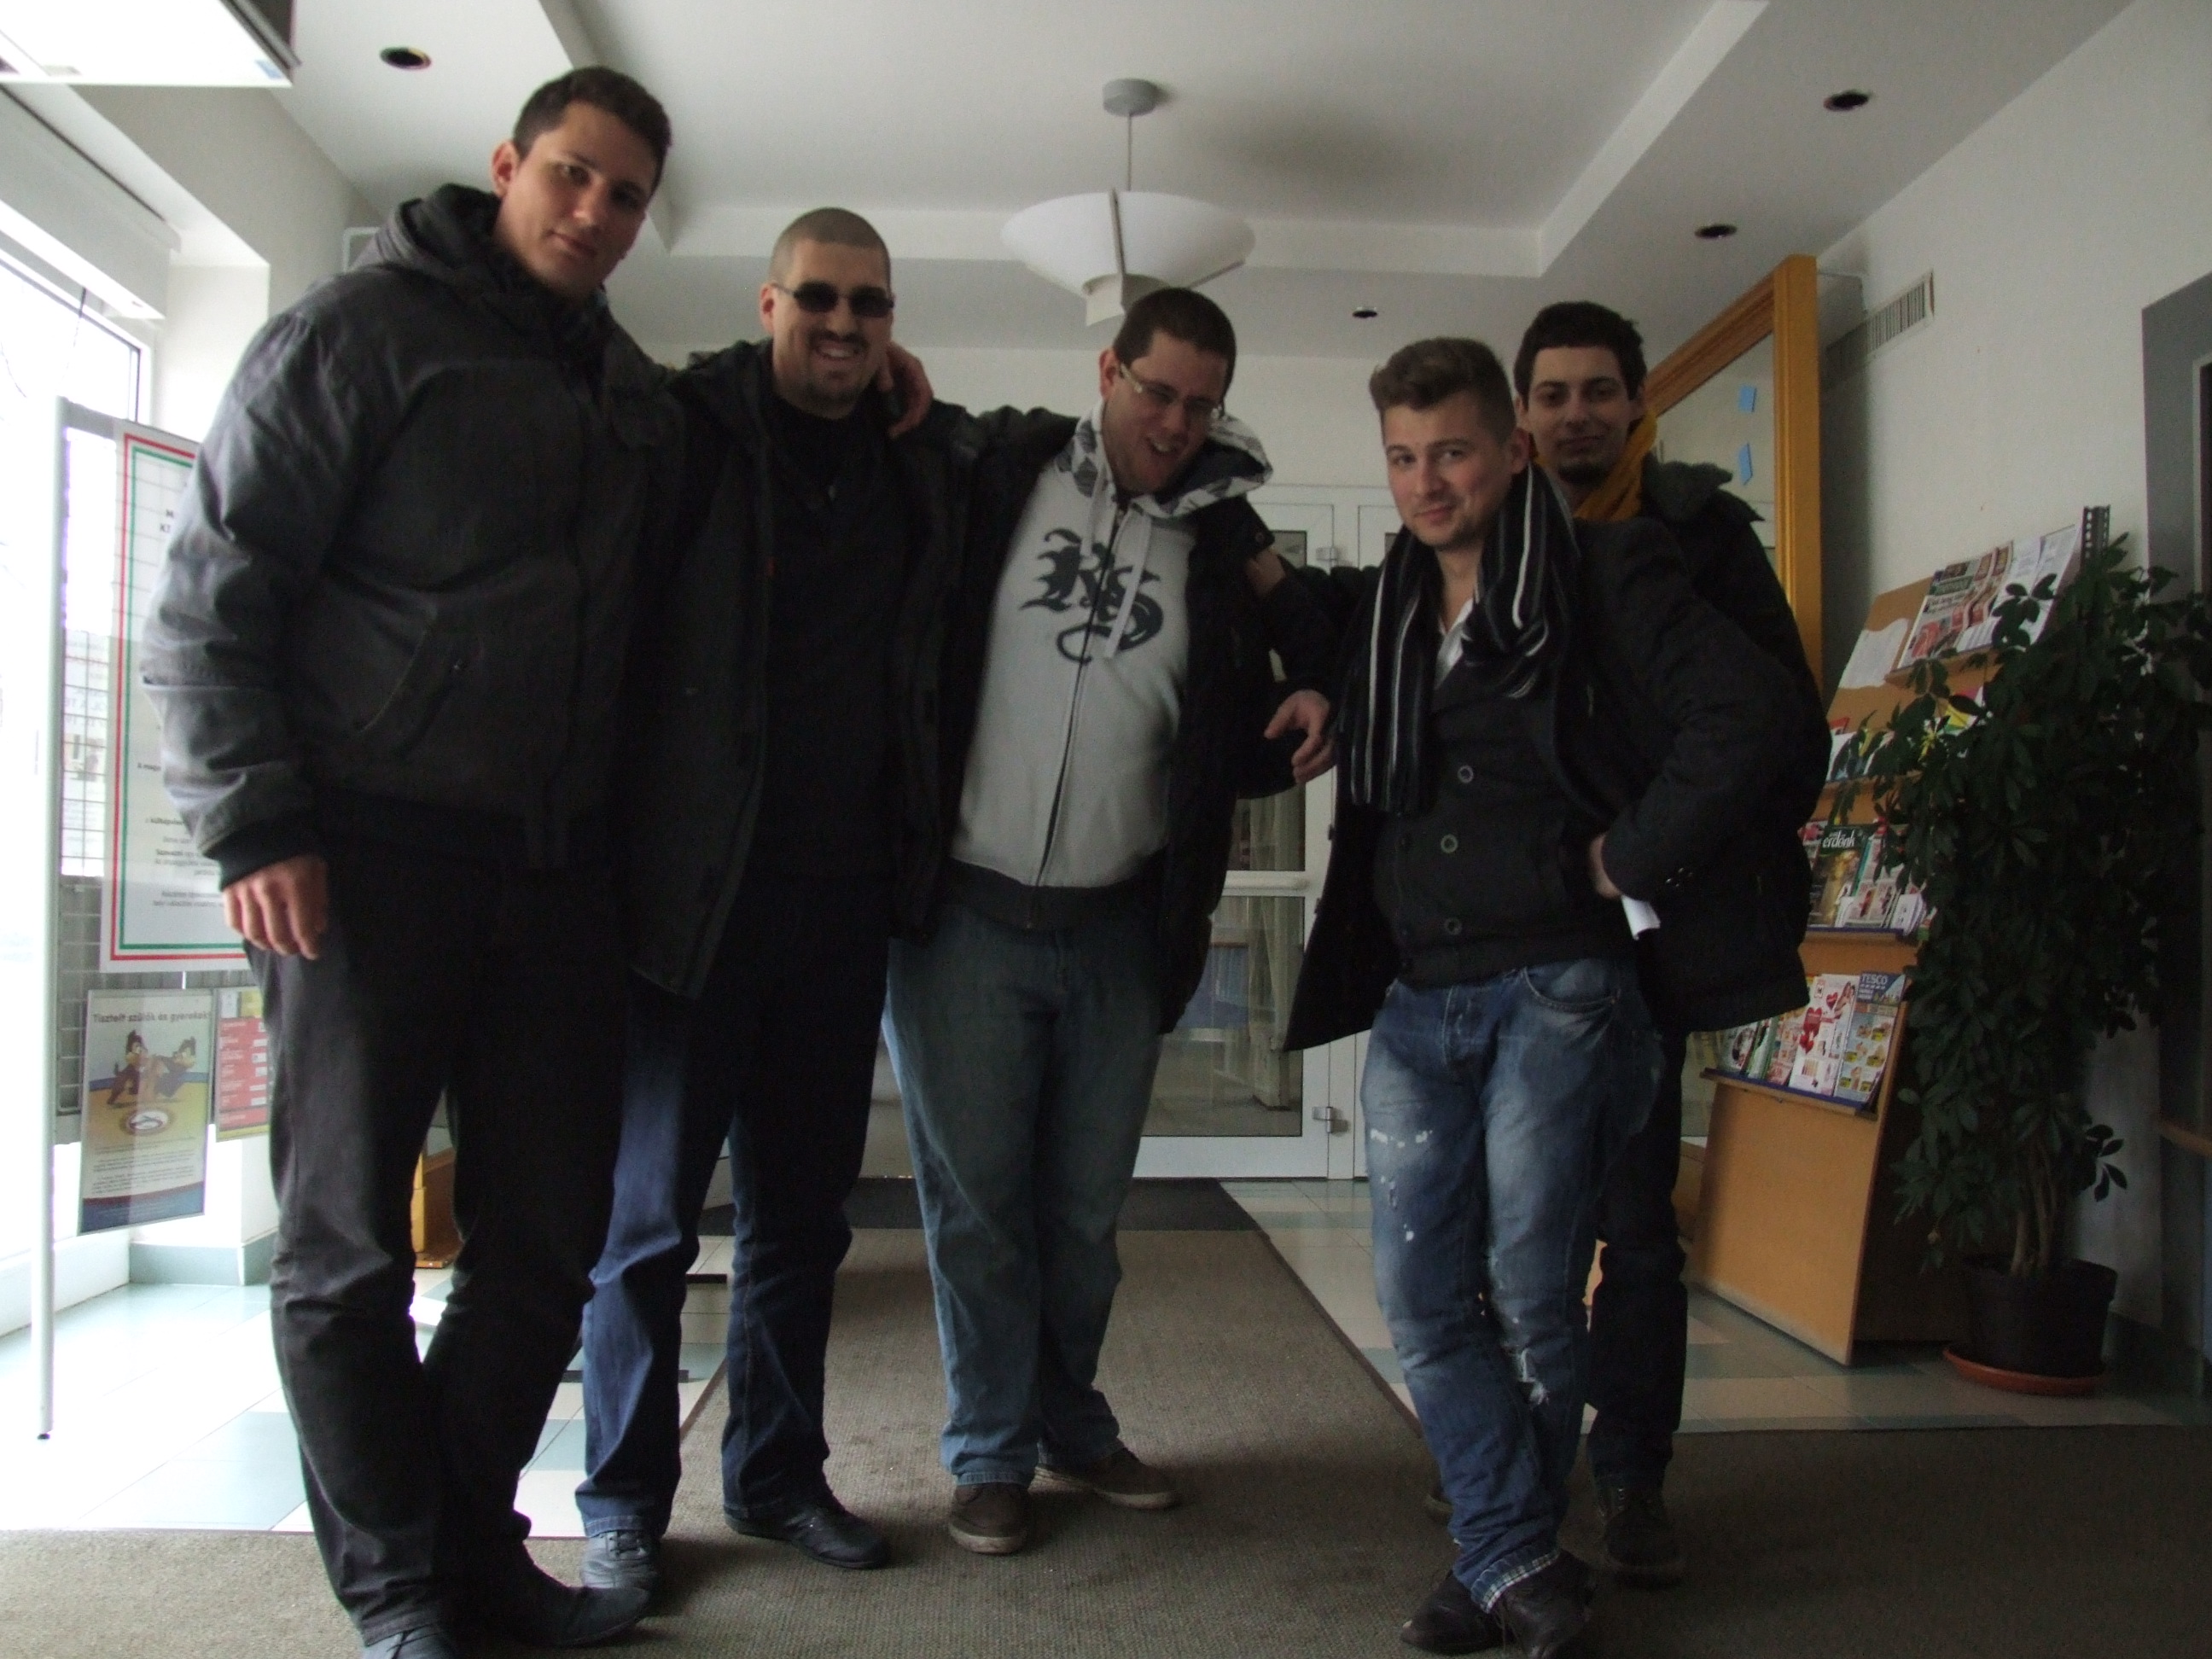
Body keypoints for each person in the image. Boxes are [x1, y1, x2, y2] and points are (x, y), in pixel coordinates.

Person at [143, 69, 679, 1659]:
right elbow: (213, 588)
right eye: (573, 175)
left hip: (558, 875)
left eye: (627, 197)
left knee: (548, 1244)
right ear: (508, 164)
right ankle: (399, 1596)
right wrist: (254, 822)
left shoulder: (629, 390)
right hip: (362, 858)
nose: (594, 213)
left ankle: (459, 1551)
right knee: (348, 1252)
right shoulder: (355, 334)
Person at [1281, 337, 1808, 1658]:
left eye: (1453, 453)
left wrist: (1632, 855)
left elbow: (1750, 713)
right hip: (1417, 995)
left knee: (1529, 1293)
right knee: (1420, 1294)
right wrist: (1314, 689)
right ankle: (1514, 1558)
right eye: (1404, 458)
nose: (1427, 483)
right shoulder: (1390, 604)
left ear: (1512, 452)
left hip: (1562, 984)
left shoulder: (1611, 568)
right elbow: (1285, 613)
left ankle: (1501, 1557)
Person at [884, 287, 1333, 1557]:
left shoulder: (1217, 540)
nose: (1177, 424)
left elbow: (1258, 694)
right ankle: (990, 1450)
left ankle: (1070, 1424)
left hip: (1119, 929)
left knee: (1083, 1216)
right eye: (1157, 392)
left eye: (1203, 405)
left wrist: (1312, 690)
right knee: (979, 1210)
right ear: (1108, 372)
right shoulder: (999, 476)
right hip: (961, 918)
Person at [574, 209, 947, 1592]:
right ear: (770, 301)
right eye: (821, 298)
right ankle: (623, 1501)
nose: (845, 325)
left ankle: (778, 1478)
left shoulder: (917, 461)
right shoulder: (687, 432)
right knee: (650, 1222)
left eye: (871, 304)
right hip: (692, 901)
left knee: (802, 1220)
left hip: (840, 903)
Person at [1511, 300, 1828, 1588]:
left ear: (1639, 403)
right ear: (1522, 411)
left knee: (1636, 1227)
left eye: (1600, 390)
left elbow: (1783, 733)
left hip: (1645, 935)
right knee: (1521, 1216)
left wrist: (1637, 854)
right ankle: (1520, 1467)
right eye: (1553, 393)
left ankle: (1634, 1478)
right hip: (1524, 935)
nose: (1576, 413)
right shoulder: (1497, 532)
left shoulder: (1698, 534)